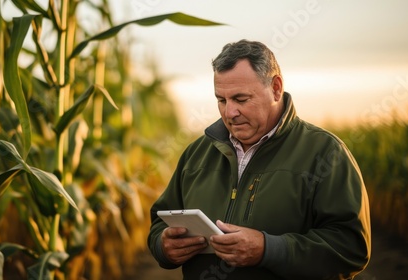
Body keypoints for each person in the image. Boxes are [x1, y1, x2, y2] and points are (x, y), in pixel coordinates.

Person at [147, 40, 371, 279]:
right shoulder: (196, 153)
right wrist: (163, 246)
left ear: (276, 88)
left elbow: (351, 249)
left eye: (241, 99)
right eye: (221, 100)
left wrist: (268, 249)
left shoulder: (327, 153)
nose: (229, 112)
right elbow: (159, 223)